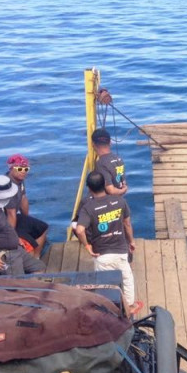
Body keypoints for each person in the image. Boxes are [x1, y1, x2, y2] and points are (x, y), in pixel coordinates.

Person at [74, 171, 140, 315]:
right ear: (104, 185)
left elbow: (79, 230)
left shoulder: (88, 207)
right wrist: (131, 241)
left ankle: (110, 310)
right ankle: (130, 307)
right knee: (127, 278)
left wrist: (87, 246)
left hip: (101, 253)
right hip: (121, 250)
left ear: (89, 188)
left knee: (105, 284)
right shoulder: (120, 201)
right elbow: (127, 224)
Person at [5, 154, 49, 256]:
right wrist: (12, 237)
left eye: (26, 169)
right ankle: (31, 263)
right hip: (4, 222)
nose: (23, 172)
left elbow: (23, 199)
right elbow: (11, 214)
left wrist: (27, 219)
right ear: (11, 168)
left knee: (43, 227)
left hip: (15, 217)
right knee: (30, 244)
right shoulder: (8, 187)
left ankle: (36, 258)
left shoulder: (19, 180)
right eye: (19, 169)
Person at [91, 128, 128, 197]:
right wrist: (124, 190)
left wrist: (122, 190)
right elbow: (123, 184)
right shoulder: (119, 159)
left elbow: (111, 190)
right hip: (120, 200)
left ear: (93, 144)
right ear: (110, 142)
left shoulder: (100, 164)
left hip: (109, 202)